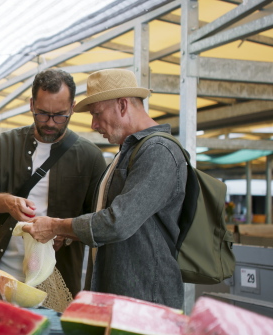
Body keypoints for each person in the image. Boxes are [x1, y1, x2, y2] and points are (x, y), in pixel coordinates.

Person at [22, 68, 187, 309]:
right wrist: (65, 234)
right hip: (118, 296)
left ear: (122, 105)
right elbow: (105, 216)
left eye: (97, 114)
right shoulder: (128, 152)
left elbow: (117, 222)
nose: (93, 124)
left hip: (144, 301)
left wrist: (55, 226)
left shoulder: (159, 152)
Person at [0, 68, 106, 311]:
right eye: (42, 113)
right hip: (0, 276)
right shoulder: (7, 142)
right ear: (32, 103)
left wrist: (64, 234)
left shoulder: (90, 156)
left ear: (72, 107)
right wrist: (8, 202)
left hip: (57, 282)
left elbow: (98, 221)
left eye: (60, 115)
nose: (50, 123)